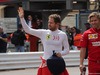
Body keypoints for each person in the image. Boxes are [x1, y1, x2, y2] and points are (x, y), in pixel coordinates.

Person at [18, 7, 69, 75]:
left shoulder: (63, 34)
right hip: (46, 64)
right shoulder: (44, 33)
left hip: (57, 63)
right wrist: (22, 18)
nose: (49, 24)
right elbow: (28, 30)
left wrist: (61, 53)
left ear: (57, 24)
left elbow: (67, 50)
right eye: (48, 22)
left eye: (51, 23)